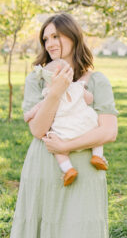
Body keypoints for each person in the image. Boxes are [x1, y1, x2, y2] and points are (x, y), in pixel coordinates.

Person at [0, 13, 119, 238]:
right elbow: (38, 130)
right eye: (45, 38)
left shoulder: (98, 81)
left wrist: (68, 146)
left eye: (57, 37)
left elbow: (108, 131)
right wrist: (55, 91)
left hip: (83, 169)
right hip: (44, 169)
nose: (50, 43)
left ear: (74, 38)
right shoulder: (37, 79)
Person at [23, 58, 109, 186]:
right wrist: (84, 92)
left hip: (65, 130)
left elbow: (39, 107)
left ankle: (68, 169)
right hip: (86, 124)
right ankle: (97, 156)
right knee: (97, 137)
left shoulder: (49, 93)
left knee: (55, 145)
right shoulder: (78, 86)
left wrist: (29, 114)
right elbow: (90, 99)